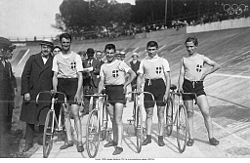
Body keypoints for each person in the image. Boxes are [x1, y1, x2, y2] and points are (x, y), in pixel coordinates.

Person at [178, 37, 220, 146]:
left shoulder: (202, 58)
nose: (189, 49)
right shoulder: (184, 59)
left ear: (196, 46)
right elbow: (182, 74)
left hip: (198, 87)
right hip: (187, 87)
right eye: (187, 47)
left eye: (191, 46)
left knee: (206, 112)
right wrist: (180, 86)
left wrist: (206, 73)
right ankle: (191, 138)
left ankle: (211, 137)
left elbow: (216, 65)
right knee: (190, 113)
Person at [98, 44, 136, 155]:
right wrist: (99, 92)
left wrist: (125, 84)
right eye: (107, 53)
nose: (109, 55)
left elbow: (133, 74)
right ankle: (114, 140)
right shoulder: (103, 66)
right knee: (112, 118)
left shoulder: (120, 63)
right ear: (105, 53)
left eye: (111, 53)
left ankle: (119, 145)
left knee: (118, 119)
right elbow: (101, 81)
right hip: (108, 92)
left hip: (119, 92)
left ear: (115, 53)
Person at [20, 39, 54, 152]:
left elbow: (55, 77)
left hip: (46, 94)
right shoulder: (33, 58)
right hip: (32, 93)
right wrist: (25, 92)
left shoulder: (54, 61)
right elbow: (25, 75)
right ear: (41, 47)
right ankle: (28, 143)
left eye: (48, 47)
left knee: (43, 118)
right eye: (44, 47)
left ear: (51, 49)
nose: (46, 49)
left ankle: (41, 139)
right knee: (30, 119)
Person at [52, 33, 84, 152]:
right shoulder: (56, 57)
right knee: (65, 113)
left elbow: (80, 76)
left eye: (67, 42)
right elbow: (55, 75)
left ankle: (79, 141)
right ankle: (69, 140)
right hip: (62, 85)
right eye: (63, 42)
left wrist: (78, 93)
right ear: (61, 43)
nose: (65, 44)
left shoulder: (76, 57)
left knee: (75, 113)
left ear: (70, 43)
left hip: (73, 84)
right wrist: (55, 89)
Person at [137, 41, 170, 147]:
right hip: (148, 86)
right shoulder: (143, 61)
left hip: (160, 86)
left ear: (157, 49)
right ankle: (148, 137)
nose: (151, 52)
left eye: (153, 49)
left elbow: (168, 77)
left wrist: (167, 92)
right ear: (146, 50)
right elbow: (140, 76)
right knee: (149, 113)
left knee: (160, 113)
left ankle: (160, 137)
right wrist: (138, 88)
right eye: (149, 50)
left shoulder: (163, 61)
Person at [0, 37, 16, 157]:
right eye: (9, 50)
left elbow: (11, 81)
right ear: (1, 50)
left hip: (8, 103)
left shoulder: (8, 64)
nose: (11, 53)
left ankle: (6, 152)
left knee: (6, 126)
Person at [82, 48, 102, 114]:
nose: (90, 55)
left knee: (95, 97)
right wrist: (85, 71)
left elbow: (99, 70)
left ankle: (94, 110)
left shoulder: (97, 62)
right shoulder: (84, 62)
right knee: (86, 97)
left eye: (91, 54)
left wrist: (93, 70)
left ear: (93, 54)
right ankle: (86, 110)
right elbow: (81, 70)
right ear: (87, 54)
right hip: (86, 81)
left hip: (94, 81)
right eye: (89, 53)